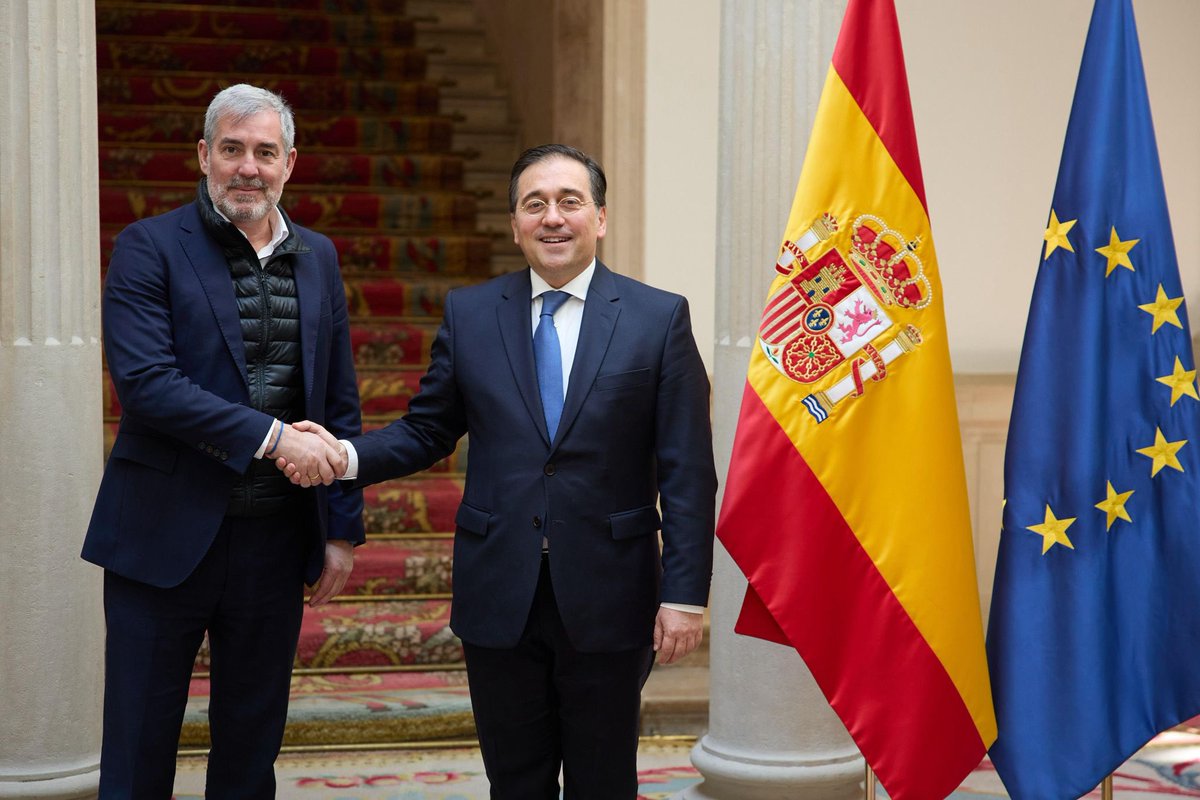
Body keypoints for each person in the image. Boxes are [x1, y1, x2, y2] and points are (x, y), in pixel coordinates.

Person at [281, 143, 717, 798]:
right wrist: (344, 457)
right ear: (514, 224)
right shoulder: (471, 312)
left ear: (600, 217)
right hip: (499, 590)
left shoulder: (659, 319)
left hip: (611, 593)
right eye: (533, 203)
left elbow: (688, 469)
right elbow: (428, 429)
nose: (552, 217)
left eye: (570, 201)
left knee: (604, 781)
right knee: (515, 780)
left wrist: (683, 594)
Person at [82, 83, 364, 798]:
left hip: (273, 541)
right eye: (232, 150)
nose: (248, 167)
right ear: (204, 155)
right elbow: (147, 384)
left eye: (264, 152)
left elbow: (337, 398)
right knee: (139, 746)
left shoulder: (321, 257)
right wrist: (274, 438)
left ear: (290, 163)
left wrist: (341, 530)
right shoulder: (149, 245)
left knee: (250, 746)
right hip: (160, 535)